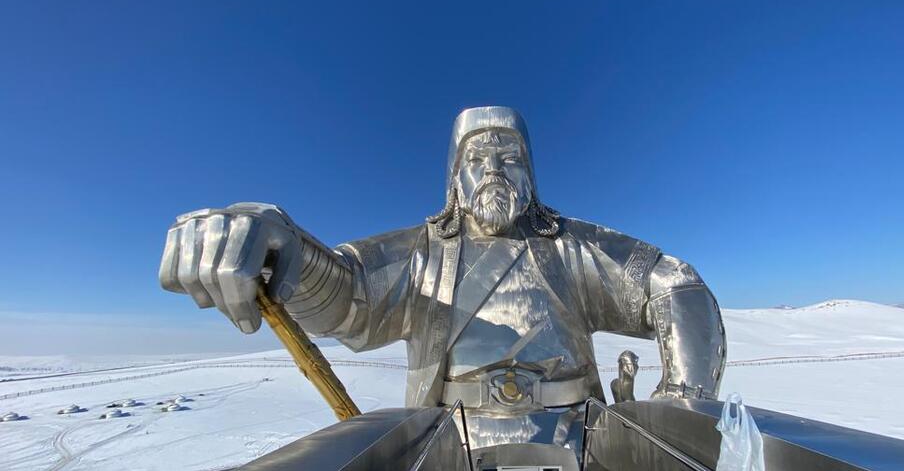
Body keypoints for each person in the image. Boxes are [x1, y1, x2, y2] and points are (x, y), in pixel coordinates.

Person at [160, 107, 725, 425]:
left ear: (532, 174)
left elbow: (676, 284)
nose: (494, 169)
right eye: (477, 159)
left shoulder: (575, 248)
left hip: (580, 435)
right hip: (446, 442)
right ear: (455, 178)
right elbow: (347, 298)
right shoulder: (420, 253)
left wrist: (686, 399)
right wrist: (281, 246)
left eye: (510, 157)